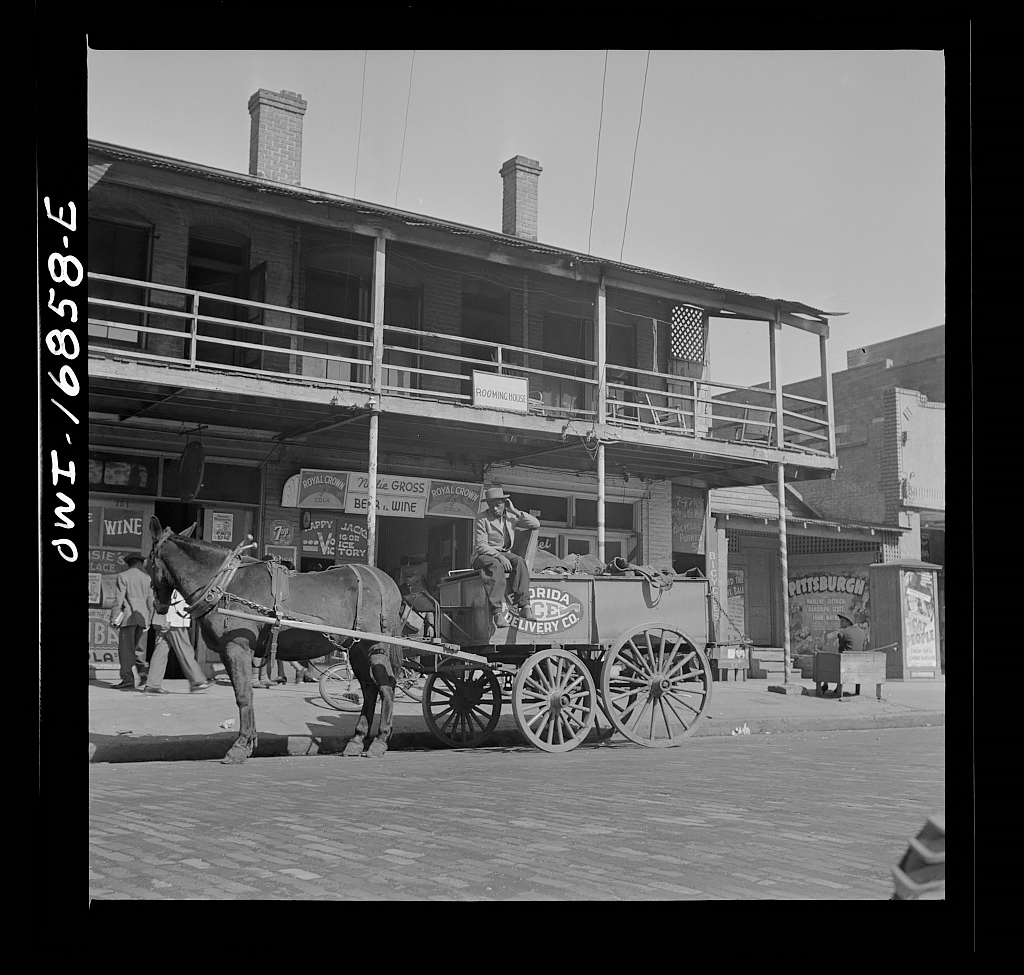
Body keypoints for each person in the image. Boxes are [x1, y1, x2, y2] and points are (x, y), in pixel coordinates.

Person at [472, 486, 540, 628]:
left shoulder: (511, 516)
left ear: (505, 503)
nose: (495, 509)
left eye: (498, 505)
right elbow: (481, 545)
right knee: (495, 566)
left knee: (520, 562)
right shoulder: (481, 518)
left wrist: (514, 510)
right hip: (483, 555)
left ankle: (525, 606)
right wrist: (499, 556)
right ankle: (497, 613)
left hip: (503, 553)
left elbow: (536, 524)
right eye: (491, 506)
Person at [143, 588, 213, 694]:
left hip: (169, 621)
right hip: (175, 622)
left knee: (160, 653)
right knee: (185, 651)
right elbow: (170, 603)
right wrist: (168, 620)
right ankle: (197, 680)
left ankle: (152, 684)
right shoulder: (175, 587)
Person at [109, 553, 154, 689]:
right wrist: (150, 619)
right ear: (140, 564)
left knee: (126, 650)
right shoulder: (147, 578)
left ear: (128, 564)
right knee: (140, 649)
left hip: (128, 618)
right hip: (143, 617)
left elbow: (119, 599)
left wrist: (113, 617)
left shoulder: (123, 576)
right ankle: (143, 672)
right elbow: (151, 601)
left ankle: (128, 679)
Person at [821, 612, 867, 695]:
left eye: (842, 621)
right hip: (858, 664)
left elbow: (840, 648)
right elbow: (863, 648)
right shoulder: (862, 632)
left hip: (846, 664)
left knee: (828, 661)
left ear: (849, 622)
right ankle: (838, 687)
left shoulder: (843, 632)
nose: (840, 623)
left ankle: (825, 684)